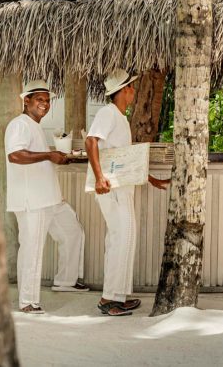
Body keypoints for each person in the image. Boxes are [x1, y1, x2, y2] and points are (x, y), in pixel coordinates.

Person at [86, 69, 169, 316]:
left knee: (124, 239)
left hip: (121, 187)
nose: (134, 91)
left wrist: (149, 178)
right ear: (123, 91)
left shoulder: (120, 118)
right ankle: (109, 299)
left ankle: (117, 296)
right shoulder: (108, 113)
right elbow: (91, 141)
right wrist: (99, 177)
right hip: (111, 188)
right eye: (132, 87)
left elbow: (124, 158)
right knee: (120, 239)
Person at [6, 80, 88, 314]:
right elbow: (15, 155)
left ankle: (66, 281)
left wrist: (55, 156)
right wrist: (50, 155)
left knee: (72, 232)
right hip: (32, 201)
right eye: (39, 99)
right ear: (26, 101)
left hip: (50, 199)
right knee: (32, 249)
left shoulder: (34, 126)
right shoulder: (19, 124)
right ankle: (27, 302)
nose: (45, 104)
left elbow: (36, 157)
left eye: (47, 100)